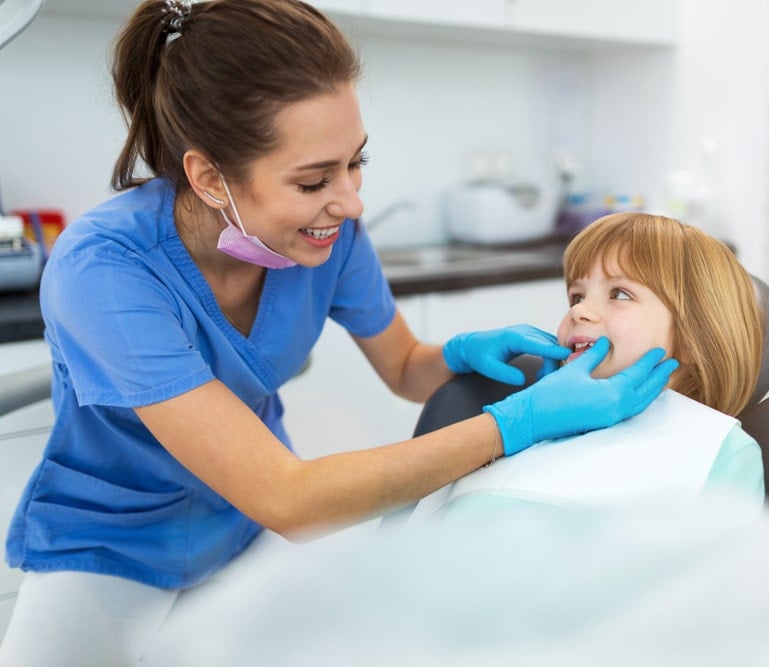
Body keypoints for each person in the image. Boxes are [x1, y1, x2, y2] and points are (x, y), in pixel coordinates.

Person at [0, 2, 676, 664]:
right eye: (314, 179)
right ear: (209, 177)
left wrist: (468, 356)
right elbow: (288, 496)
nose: (350, 201)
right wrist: (516, 424)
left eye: (356, 162)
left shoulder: (331, 235)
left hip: (240, 532)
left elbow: (406, 364)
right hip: (108, 540)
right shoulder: (105, 270)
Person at [411, 212, 765, 520]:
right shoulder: (535, 421)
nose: (578, 311)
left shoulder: (716, 451)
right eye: (577, 296)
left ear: (696, 334)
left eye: (620, 294)